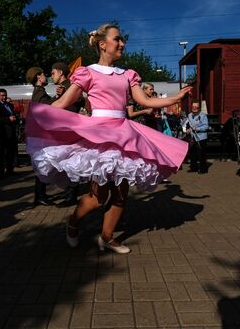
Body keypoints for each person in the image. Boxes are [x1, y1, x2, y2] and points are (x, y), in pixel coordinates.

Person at [25, 23, 192, 254]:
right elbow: (62, 104)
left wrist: (175, 98)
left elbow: (145, 101)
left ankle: (107, 237)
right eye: (117, 39)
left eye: (122, 40)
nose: (122, 43)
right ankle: (73, 222)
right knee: (97, 197)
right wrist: (41, 117)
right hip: (99, 135)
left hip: (124, 133)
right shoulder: (88, 72)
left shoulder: (128, 74)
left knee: (121, 194)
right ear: (103, 44)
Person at [51, 61, 85, 205]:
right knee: (66, 164)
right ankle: (69, 191)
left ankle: (72, 196)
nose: (51, 76)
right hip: (63, 131)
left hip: (70, 130)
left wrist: (66, 94)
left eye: (52, 73)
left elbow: (81, 100)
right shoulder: (62, 88)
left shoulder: (70, 86)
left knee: (73, 164)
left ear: (60, 72)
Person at [28, 66, 56, 206]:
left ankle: (40, 195)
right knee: (43, 164)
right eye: (44, 74)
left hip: (40, 134)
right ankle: (39, 196)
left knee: (42, 165)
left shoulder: (39, 92)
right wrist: (57, 97)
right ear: (38, 77)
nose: (46, 76)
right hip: (42, 135)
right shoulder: (39, 93)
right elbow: (48, 109)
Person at [0, 88, 18, 178]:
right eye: (2, 95)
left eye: (5, 95)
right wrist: (8, 119)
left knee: (11, 153)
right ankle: (0, 172)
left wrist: (15, 118)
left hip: (11, 132)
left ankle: (10, 170)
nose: (4, 97)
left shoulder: (10, 105)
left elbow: (14, 115)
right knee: (1, 154)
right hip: (2, 133)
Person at [187, 99, 209, 174]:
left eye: (196, 107)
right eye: (193, 106)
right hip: (193, 138)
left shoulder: (203, 115)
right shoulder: (189, 115)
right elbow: (190, 125)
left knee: (201, 154)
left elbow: (206, 126)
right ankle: (193, 168)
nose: (194, 108)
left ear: (199, 108)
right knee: (192, 153)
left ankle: (203, 169)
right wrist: (189, 130)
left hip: (201, 137)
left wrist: (198, 129)